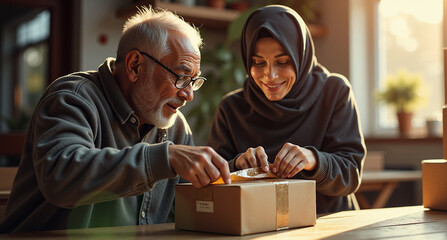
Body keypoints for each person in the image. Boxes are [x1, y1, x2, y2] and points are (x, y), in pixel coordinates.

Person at [0, 7, 231, 233]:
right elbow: (61, 176)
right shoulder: (72, 98)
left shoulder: (176, 125)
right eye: (181, 77)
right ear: (135, 66)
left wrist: (237, 170)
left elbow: (192, 205)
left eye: (194, 81)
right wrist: (165, 158)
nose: (189, 94)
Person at [207, 5, 366, 213]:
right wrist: (237, 165)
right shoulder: (232, 108)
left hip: (329, 222)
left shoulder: (334, 92)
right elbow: (210, 182)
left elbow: (351, 175)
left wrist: (314, 160)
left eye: (282, 62)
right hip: (258, 226)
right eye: (258, 62)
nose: (270, 75)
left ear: (300, 56)